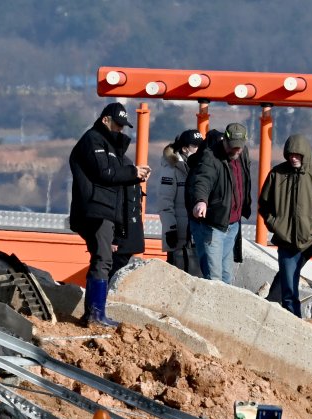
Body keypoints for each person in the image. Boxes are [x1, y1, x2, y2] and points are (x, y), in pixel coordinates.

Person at [69, 102, 151, 327]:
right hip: (95, 210)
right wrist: (132, 172)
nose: (120, 130)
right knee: (102, 260)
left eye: (123, 127)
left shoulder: (108, 145)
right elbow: (105, 173)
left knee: (103, 259)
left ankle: (97, 313)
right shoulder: (93, 140)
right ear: (105, 119)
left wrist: (133, 175)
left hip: (104, 210)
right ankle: (95, 314)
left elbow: (113, 176)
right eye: (117, 125)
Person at [258, 134, 312, 337]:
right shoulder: (277, 174)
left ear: (305, 154)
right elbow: (264, 205)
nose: (293, 158)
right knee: (288, 283)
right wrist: (275, 225)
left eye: (297, 154)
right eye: (290, 154)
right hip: (288, 239)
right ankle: (293, 324)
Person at [185, 123, 252, 284]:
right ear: (225, 141)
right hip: (215, 223)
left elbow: (244, 181)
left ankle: (225, 308)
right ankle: (211, 307)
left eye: (239, 148)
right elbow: (203, 180)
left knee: (227, 275)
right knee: (214, 276)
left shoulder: (243, 154)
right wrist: (201, 201)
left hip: (233, 222)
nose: (235, 151)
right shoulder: (210, 156)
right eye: (233, 148)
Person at [156, 129, 203, 275]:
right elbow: (165, 203)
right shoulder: (171, 169)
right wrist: (171, 230)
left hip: (194, 235)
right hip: (178, 237)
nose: (199, 149)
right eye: (195, 146)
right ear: (184, 148)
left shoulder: (197, 167)